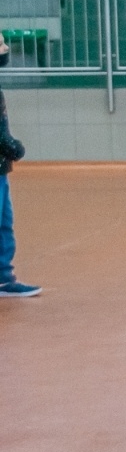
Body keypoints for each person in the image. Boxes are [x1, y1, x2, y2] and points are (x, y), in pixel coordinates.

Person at [0, 32, 39, 298]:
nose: (5, 49)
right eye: (0, 44)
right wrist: (13, 147)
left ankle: (4, 277)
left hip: (1, 169)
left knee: (5, 222)